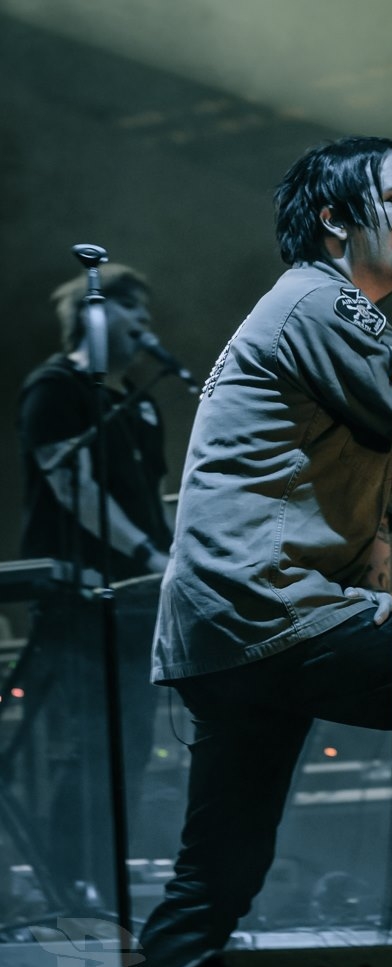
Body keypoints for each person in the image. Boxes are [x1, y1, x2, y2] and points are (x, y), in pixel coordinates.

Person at [133, 135, 392, 967]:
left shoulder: (324, 312)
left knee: (216, 880)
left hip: (232, 622)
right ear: (334, 219)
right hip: (269, 610)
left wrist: (366, 599)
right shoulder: (319, 303)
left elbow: (322, 482)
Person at [15, 262, 174, 912]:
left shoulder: (138, 403)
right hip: (77, 599)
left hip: (136, 600)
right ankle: (66, 892)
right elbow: (72, 487)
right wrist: (146, 552)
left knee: (130, 747)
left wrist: (179, 553)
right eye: (135, 311)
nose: (147, 326)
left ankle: (103, 890)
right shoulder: (53, 389)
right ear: (95, 311)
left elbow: (152, 503)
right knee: (89, 746)